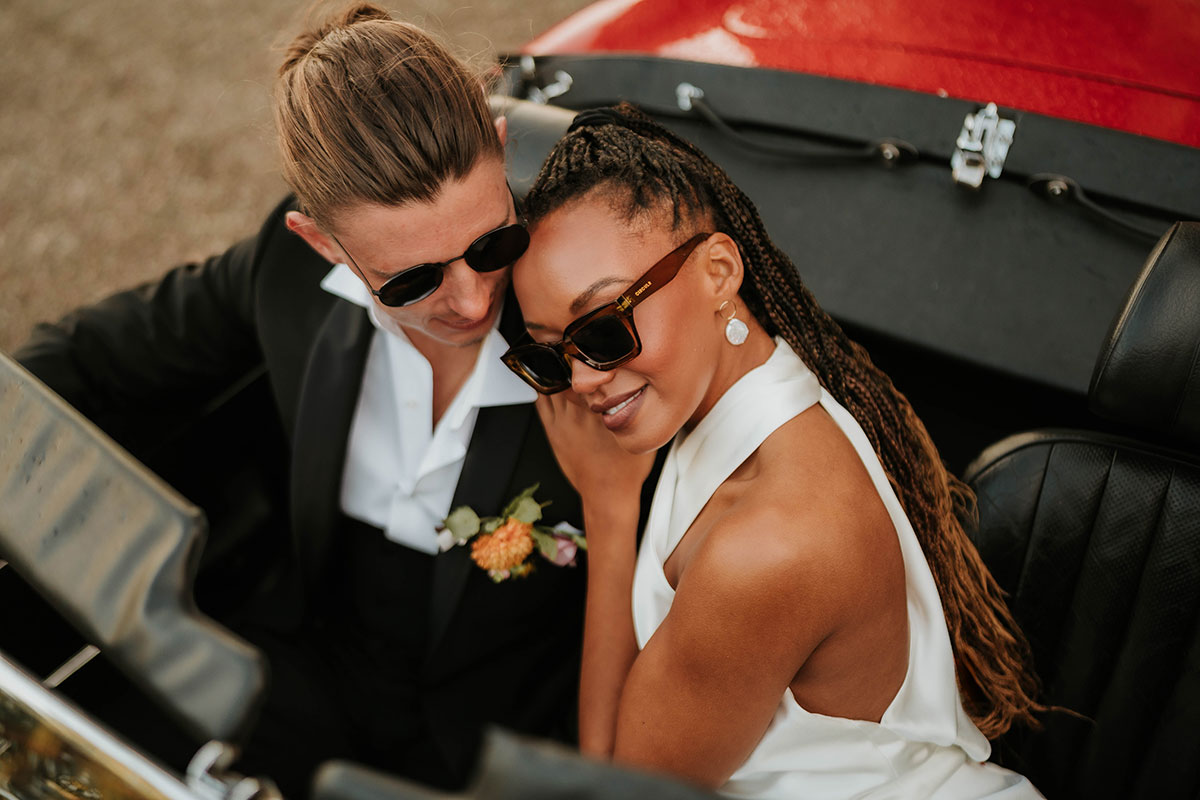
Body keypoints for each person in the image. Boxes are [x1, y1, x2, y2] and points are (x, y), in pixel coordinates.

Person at [14, 4, 593, 795]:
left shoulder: (591, 304)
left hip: (503, 728)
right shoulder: (285, 275)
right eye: (412, 281)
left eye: (491, 243)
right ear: (321, 242)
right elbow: (90, 355)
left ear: (501, 153)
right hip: (313, 665)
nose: (470, 299)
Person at [501, 103, 1045, 798]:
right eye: (549, 356)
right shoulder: (764, 381)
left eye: (604, 330)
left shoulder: (765, 549)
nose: (581, 383)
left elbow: (616, 788)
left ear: (719, 271)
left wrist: (609, 506)